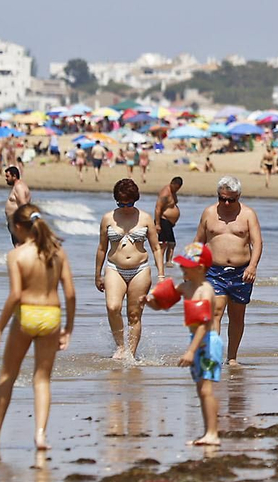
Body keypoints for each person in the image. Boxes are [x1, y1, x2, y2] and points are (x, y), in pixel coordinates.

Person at [0, 205, 75, 450]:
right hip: (52, 315)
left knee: (8, 376)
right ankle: (41, 436)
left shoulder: (16, 255)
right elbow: (71, 294)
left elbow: (15, 295)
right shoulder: (58, 253)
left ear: (19, 227)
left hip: (27, 315)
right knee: (42, 379)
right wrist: (69, 328)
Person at [194, 176, 263, 363]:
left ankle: (232, 357)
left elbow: (257, 243)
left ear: (238, 196)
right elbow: (198, 242)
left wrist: (252, 266)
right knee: (215, 312)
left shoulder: (248, 214)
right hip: (214, 271)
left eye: (230, 199)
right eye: (222, 198)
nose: (226, 203)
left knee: (237, 316)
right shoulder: (209, 213)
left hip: (241, 272)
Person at [94, 178, 164, 362]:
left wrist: (161, 275)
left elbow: (156, 248)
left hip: (140, 269)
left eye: (130, 203)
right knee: (112, 306)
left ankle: (130, 354)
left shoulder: (145, 218)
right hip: (114, 268)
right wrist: (97, 274)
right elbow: (101, 248)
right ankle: (120, 346)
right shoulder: (108, 218)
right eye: (121, 203)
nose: (126, 207)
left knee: (134, 314)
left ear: (136, 199)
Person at [172, 242, 224, 446]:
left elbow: (203, 324)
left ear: (201, 268)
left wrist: (190, 351)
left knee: (206, 390)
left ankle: (213, 433)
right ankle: (208, 432)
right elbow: (165, 299)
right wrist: (148, 301)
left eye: (186, 265)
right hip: (196, 343)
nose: (182, 268)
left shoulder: (206, 291)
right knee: (201, 389)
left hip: (207, 344)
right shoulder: (187, 287)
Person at [153, 176, 183, 266]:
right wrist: (157, 224)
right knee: (164, 243)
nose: (177, 190)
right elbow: (158, 209)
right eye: (176, 187)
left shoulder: (173, 192)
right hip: (163, 220)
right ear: (172, 184)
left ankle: (168, 261)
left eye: (178, 188)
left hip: (168, 222)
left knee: (171, 243)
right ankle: (159, 262)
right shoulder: (165, 193)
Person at [3, 165, 31, 246]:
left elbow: (24, 204)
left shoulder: (19, 187)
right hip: (14, 222)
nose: (6, 179)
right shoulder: (18, 186)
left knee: (19, 247)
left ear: (14, 176)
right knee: (18, 246)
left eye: (8, 176)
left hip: (17, 222)